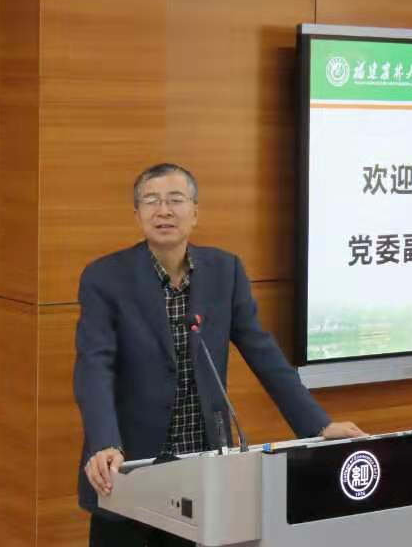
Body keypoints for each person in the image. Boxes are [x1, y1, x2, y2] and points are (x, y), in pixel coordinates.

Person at [74, 163, 364, 546]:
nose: (164, 211)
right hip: (129, 469)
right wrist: (104, 443)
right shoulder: (105, 278)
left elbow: (263, 352)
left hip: (204, 473)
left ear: (195, 212)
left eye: (175, 200)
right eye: (151, 201)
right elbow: (93, 366)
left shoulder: (224, 271)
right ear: (137, 214)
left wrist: (318, 426)